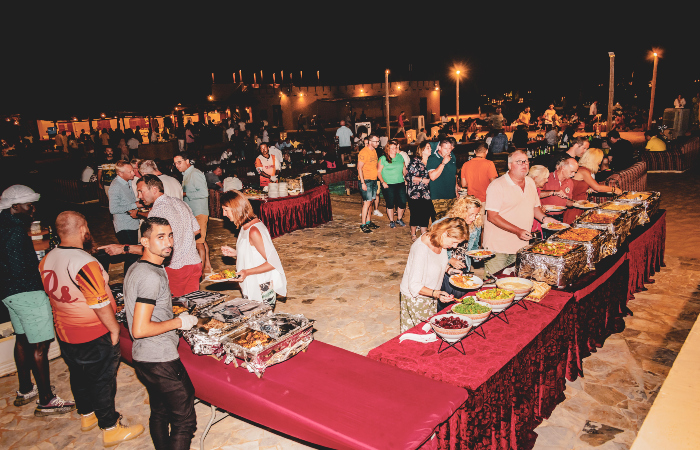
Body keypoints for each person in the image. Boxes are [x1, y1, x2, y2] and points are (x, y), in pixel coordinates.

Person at [40, 211, 144, 445]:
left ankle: (86, 414)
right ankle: (110, 427)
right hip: (93, 332)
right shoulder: (83, 262)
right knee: (102, 379)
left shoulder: (48, 258)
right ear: (82, 229)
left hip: (65, 331)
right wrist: (114, 329)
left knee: (78, 374)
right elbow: (99, 302)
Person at [0, 185, 76, 416]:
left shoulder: (5, 224)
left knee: (22, 339)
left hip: (9, 293)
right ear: (15, 206)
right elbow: (20, 268)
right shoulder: (15, 231)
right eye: (29, 205)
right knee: (40, 345)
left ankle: (26, 389)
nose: (33, 209)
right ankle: (46, 399)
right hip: (27, 292)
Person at [124, 217, 199, 450]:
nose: (168, 242)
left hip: (143, 358)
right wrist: (179, 322)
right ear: (145, 241)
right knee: (185, 421)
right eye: (160, 237)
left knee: (160, 411)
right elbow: (140, 329)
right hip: (159, 358)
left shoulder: (139, 267)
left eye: (170, 235)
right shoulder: (151, 276)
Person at [100, 175, 202, 296]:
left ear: (154, 189)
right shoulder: (180, 202)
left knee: (174, 305)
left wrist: (123, 249)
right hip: (194, 263)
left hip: (175, 268)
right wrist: (182, 240)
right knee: (191, 304)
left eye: (141, 191)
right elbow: (196, 231)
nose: (139, 196)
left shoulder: (157, 211)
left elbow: (153, 249)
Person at [483, 150, 559, 274]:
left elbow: (535, 207)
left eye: (526, 161)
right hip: (498, 246)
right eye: (519, 162)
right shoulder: (497, 185)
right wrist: (517, 231)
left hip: (521, 244)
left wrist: (545, 219)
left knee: (515, 280)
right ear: (509, 165)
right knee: (495, 281)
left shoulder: (530, 182)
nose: (524, 164)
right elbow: (492, 216)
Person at [398, 217, 468, 332]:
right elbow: (414, 285)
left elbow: (435, 261)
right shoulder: (421, 249)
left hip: (430, 294)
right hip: (416, 299)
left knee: (429, 330)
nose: (455, 246)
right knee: (419, 334)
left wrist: (449, 270)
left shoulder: (439, 240)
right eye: (454, 242)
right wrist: (437, 294)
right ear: (445, 233)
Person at [220, 191, 287, 307]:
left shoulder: (254, 231)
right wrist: (236, 253)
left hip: (261, 286)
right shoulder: (244, 226)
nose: (224, 214)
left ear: (236, 209)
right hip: (251, 283)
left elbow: (273, 263)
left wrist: (246, 272)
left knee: (261, 318)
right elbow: (254, 253)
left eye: (226, 210)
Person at [437, 197, 484, 299]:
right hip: (445, 268)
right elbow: (434, 248)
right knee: (445, 298)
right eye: (471, 214)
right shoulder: (445, 223)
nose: (474, 218)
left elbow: (474, 246)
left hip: (464, 266)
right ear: (462, 211)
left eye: (476, 214)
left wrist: (476, 256)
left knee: (461, 297)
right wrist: (450, 259)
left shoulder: (476, 225)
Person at [174, 153, 212, 276]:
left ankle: (199, 273)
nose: (177, 166)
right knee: (202, 240)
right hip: (193, 212)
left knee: (198, 242)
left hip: (199, 212)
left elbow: (204, 193)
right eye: (175, 164)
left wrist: (185, 194)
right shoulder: (186, 175)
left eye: (179, 162)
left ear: (187, 161)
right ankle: (207, 266)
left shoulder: (195, 173)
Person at [564, 148, 620, 223]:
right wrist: (614, 189)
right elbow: (597, 187)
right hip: (575, 205)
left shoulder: (583, 170)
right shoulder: (584, 171)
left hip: (580, 204)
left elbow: (577, 186)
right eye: (599, 160)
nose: (600, 163)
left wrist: (588, 189)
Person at [108, 160, 141, 275]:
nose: (133, 173)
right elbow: (113, 209)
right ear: (120, 173)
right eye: (130, 171)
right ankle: (128, 280)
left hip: (132, 223)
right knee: (131, 256)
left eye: (133, 170)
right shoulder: (116, 186)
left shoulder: (127, 181)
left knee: (133, 255)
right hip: (124, 225)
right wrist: (134, 205)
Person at [406, 141, 435, 241]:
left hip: (427, 192)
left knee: (425, 213)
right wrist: (422, 180)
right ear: (422, 150)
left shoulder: (431, 161)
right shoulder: (415, 162)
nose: (430, 149)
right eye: (428, 147)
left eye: (430, 147)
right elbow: (408, 176)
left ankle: (423, 233)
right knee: (415, 213)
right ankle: (413, 233)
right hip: (415, 192)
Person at [377, 139, 407, 228]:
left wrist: (406, 178)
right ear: (388, 149)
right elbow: (378, 172)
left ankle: (399, 219)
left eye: (395, 148)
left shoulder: (400, 157)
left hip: (400, 182)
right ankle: (391, 220)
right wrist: (383, 182)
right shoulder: (383, 158)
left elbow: (404, 168)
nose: (394, 149)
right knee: (390, 203)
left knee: (402, 202)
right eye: (392, 148)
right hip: (388, 184)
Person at [427, 138, 459, 219]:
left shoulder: (452, 156)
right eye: (445, 148)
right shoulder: (433, 158)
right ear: (439, 148)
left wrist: (456, 189)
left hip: (451, 196)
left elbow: (454, 174)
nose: (448, 151)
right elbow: (432, 177)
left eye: (449, 148)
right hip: (439, 197)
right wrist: (443, 163)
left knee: (451, 221)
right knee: (441, 223)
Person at [358, 134, 381, 233]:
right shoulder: (364, 152)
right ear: (370, 142)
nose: (378, 143)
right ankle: (363, 225)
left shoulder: (374, 151)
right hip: (366, 180)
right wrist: (362, 182)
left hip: (373, 179)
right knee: (366, 202)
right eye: (376, 141)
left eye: (378, 141)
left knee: (371, 201)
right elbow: (359, 168)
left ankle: (368, 222)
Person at [527, 165, 550, 238]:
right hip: (528, 228)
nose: (547, 180)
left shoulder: (537, 190)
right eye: (544, 178)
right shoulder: (526, 190)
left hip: (537, 227)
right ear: (535, 178)